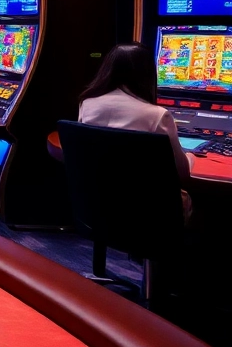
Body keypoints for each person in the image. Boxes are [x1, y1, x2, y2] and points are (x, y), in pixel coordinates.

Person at [77, 43, 193, 219]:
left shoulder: (87, 103)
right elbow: (181, 173)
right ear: (147, 73)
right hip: (145, 207)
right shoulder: (158, 115)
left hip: (97, 203)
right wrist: (191, 158)